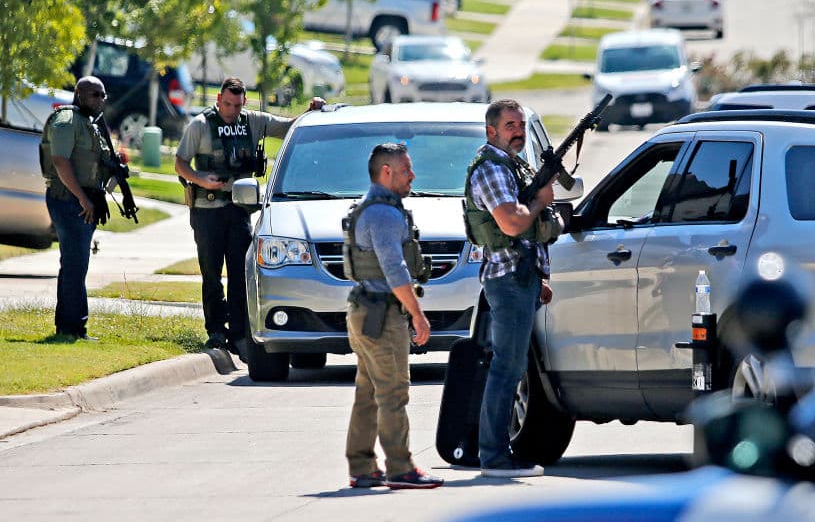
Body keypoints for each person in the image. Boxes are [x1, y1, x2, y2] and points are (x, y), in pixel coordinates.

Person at [174, 77, 324, 351]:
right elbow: (180, 163)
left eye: (237, 105)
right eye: (228, 104)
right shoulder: (200, 125)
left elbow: (288, 128)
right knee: (211, 273)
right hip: (207, 210)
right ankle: (216, 331)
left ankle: (240, 333)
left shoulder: (251, 121)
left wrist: (310, 111)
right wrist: (201, 179)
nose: (232, 111)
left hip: (239, 210)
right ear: (218, 99)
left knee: (240, 273)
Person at [464, 99, 556, 478]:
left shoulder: (511, 165)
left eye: (521, 124)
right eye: (510, 126)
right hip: (509, 280)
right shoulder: (490, 170)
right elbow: (513, 224)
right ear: (492, 132)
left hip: (522, 277)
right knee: (507, 368)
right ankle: (494, 455)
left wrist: (540, 277)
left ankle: (497, 451)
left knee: (512, 367)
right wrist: (539, 201)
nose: (518, 131)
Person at [343, 143, 443, 490]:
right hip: (382, 315)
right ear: (386, 171)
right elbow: (395, 271)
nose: (412, 175)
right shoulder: (383, 214)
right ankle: (400, 468)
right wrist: (418, 315)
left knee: (368, 392)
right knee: (392, 393)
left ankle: (362, 466)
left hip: (364, 311)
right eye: (405, 169)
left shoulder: (368, 208)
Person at [39, 76, 113, 341]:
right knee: (73, 265)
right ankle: (70, 328)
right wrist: (83, 198)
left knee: (77, 265)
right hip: (68, 201)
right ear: (79, 94)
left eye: (103, 95)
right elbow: (60, 161)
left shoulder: (89, 124)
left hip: (84, 203)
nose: (101, 100)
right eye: (95, 95)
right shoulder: (67, 121)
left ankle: (74, 326)